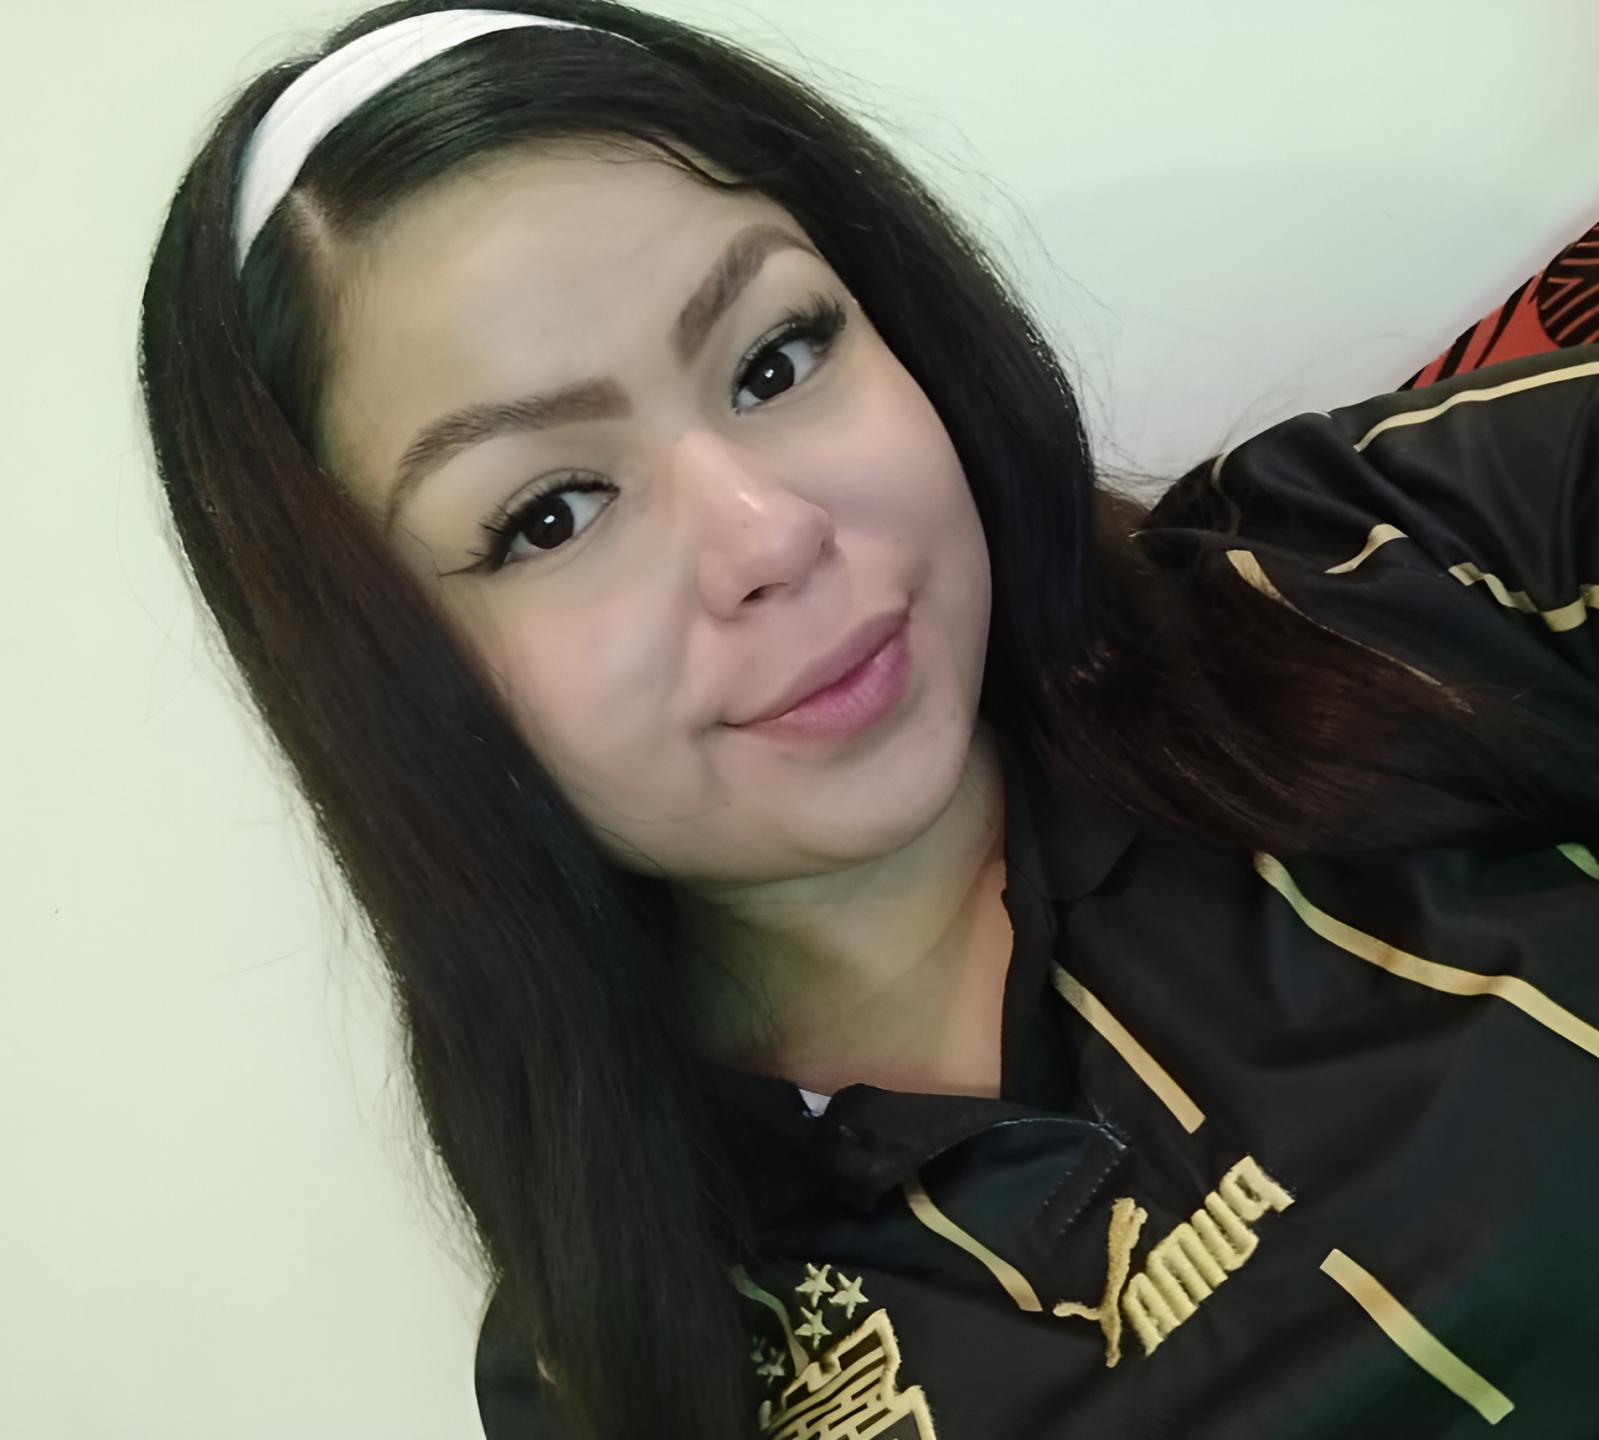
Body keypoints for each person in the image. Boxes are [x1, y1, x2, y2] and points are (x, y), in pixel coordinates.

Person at [136, 4, 1599, 1437]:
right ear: (387, 674)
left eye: (776, 360)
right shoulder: (609, 1365)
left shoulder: (1380, 560)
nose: (767, 534)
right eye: (552, 513)